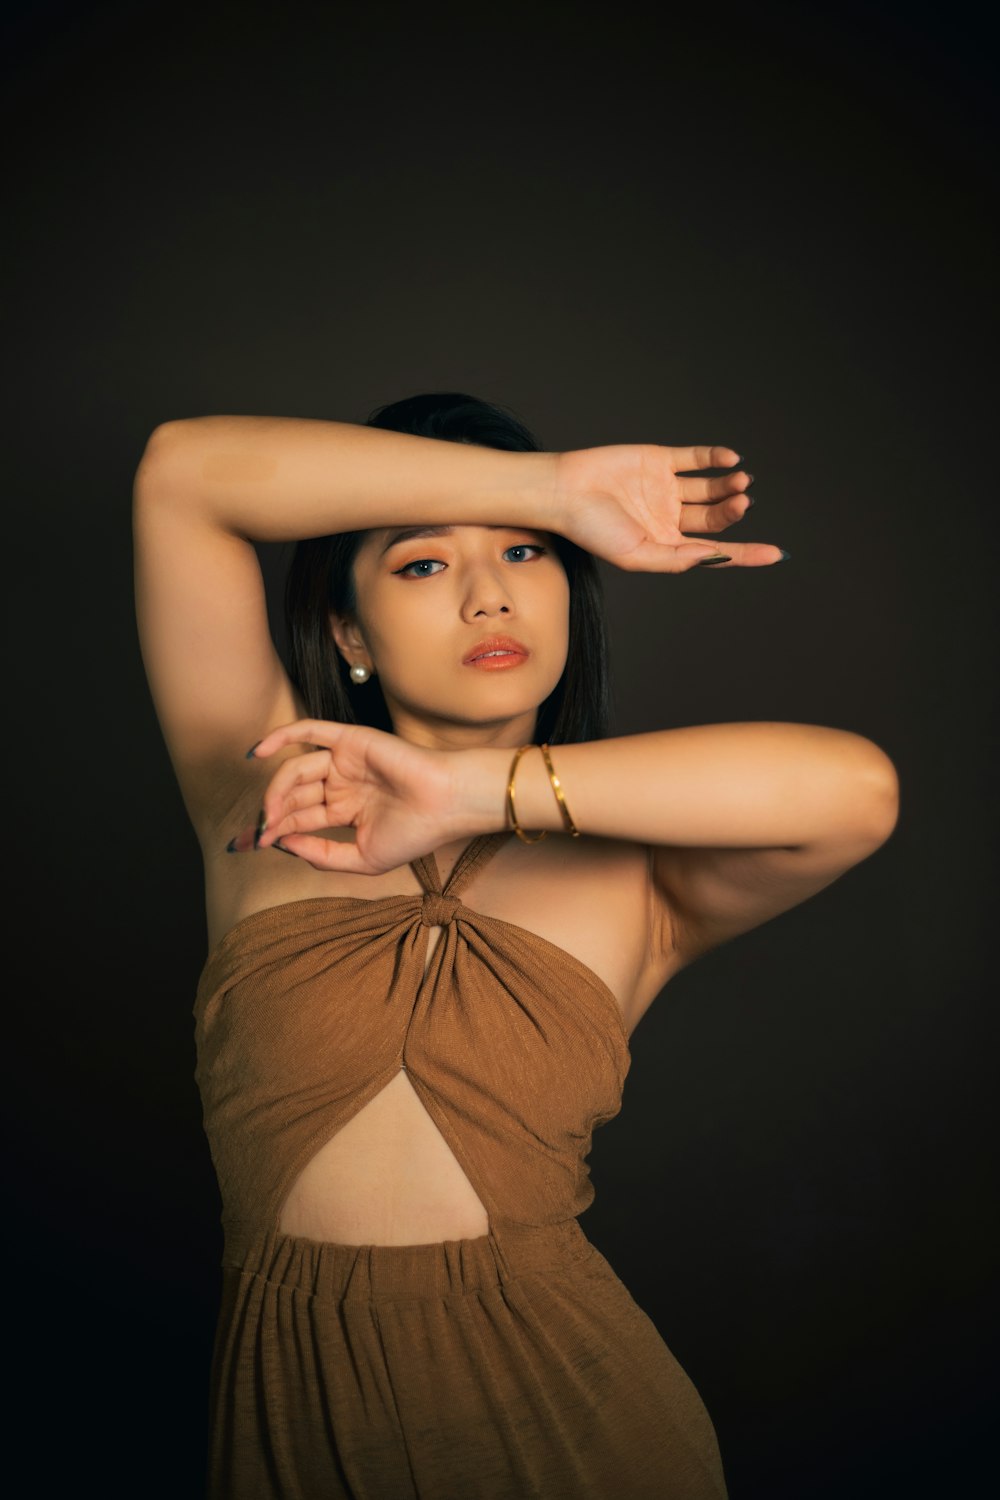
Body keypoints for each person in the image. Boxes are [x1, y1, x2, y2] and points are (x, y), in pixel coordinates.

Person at [132, 392, 900, 1500]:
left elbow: (857, 792)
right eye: (423, 566)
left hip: (576, 1431)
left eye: (528, 554)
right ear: (346, 632)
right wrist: (548, 488)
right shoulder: (258, 794)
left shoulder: (644, 875)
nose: (491, 592)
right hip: (293, 1429)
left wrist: (461, 793)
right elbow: (183, 472)